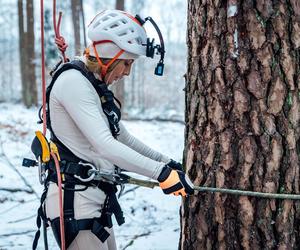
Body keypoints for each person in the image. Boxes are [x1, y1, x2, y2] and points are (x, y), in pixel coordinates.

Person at [44, 10, 194, 250]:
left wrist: (168, 164)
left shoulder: (91, 84)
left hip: (92, 205)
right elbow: (105, 145)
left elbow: (122, 138)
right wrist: (160, 174)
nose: (127, 72)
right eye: (127, 63)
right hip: (76, 205)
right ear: (109, 55)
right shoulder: (74, 83)